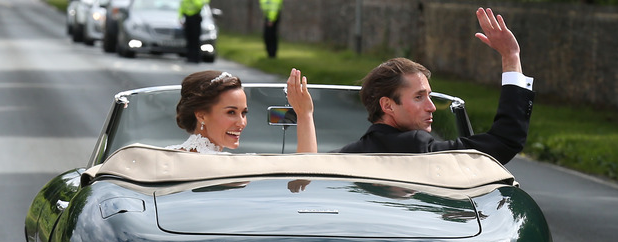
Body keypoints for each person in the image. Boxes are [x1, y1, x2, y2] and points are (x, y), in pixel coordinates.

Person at [336, 7, 534, 165]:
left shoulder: (345, 155)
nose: (431, 107)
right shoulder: (415, 146)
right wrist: (511, 57)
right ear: (387, 106)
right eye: (419, 97)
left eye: (429, 96)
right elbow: (505, 140)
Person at [169, 68, 316, 154]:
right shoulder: (233, 167)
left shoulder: (167, 155)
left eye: (244, 113)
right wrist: (305, 115)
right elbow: (305, 173)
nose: (241, 123)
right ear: (201, 115)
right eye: (231, 112)